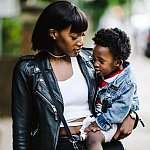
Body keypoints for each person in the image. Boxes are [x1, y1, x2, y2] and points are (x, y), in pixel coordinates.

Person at [12, 1, 138, 150]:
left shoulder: (90, 60)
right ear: (53, 33)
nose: (81, 42)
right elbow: (22, 128)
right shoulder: (28, 69)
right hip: (59, 144)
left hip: (100, 141)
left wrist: (132, 115)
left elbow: (123, 83)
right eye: (74, 36)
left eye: (82, 35)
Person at [80, 28, 139, 150]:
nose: (95, 64)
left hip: (111, 121)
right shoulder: (102, 72)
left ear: (117, 63)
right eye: (94, 59)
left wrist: (99, 123)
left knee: (93, 139)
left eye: (100, 61)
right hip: (98, 117)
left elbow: (121, 108)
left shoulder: (126, 82)